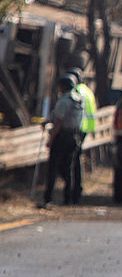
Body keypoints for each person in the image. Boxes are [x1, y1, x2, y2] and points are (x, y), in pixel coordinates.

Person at [40, 75, 83, 207]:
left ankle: (48, 198)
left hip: (62, 137)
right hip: (74, 136)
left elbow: (58, 122)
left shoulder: (63, 100)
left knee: (53, 168)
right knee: (68, 169)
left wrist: (50, 139)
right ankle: (68, 199)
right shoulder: (79, 100)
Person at [65, 67, 96, 204]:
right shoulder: (87, 90)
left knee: (72, 163)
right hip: (85, 129)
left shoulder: (77, 92)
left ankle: (74, 193)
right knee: (76, 161)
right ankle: (77, 190)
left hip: (77, 130)